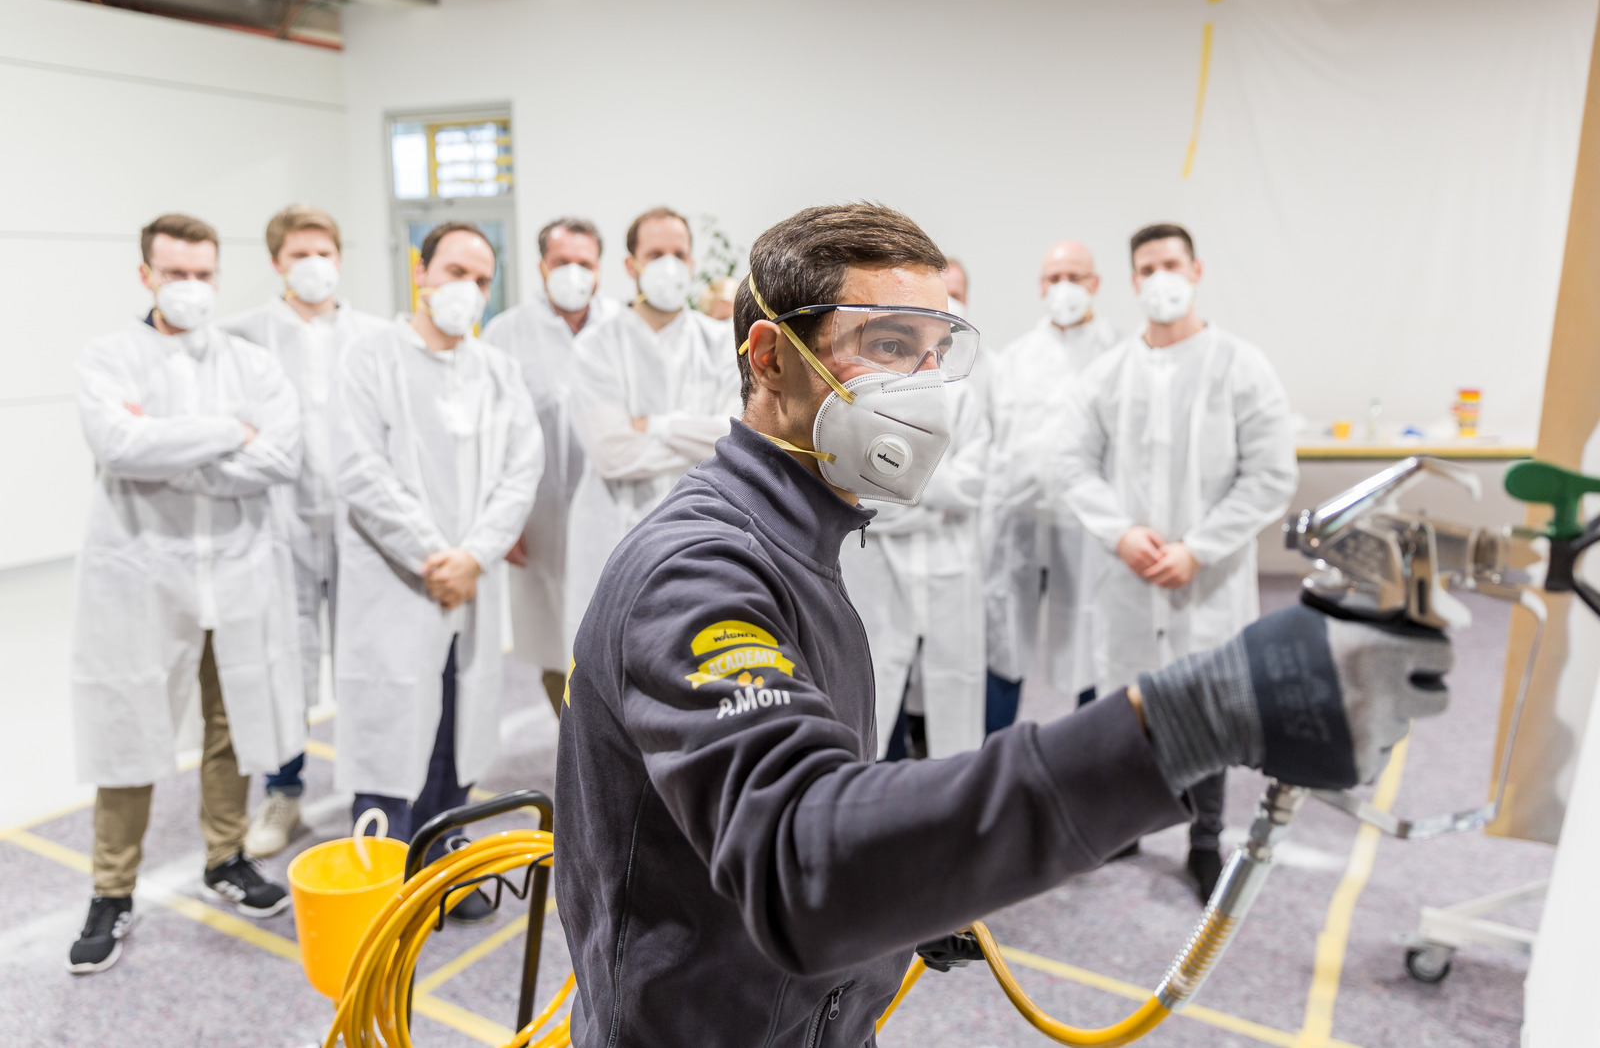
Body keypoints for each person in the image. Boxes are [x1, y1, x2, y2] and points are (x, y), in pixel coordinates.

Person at [554, 203, 1451, 1047]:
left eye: (935, 353)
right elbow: (801, 860)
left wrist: (909, 888)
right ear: (770, 357)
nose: (924, 389)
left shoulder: (807, 540)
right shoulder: (696, 573)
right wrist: (1196, 717)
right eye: (888, 346)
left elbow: (813, 807)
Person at [68, 214, 305, 974]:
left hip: (235, 570)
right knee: (131, 725)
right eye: (176, 273)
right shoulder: (108, 359)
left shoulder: (251, 363)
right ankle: (112, 889)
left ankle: (225, 855)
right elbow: (120, 446)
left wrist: (170, 440)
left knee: (230, 720)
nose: (191, 287)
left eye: (203, 274)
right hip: (142, 572)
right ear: (146, 275)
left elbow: (281, 457)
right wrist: (232, 430)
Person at [1057, 223, 1299, 902]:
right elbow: (1072, 464)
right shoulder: (1108, 374)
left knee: (1207, 708)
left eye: (1171, 264)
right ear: (1133, 281)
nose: (1160, 278)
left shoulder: (1241, 366)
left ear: (1195, 270)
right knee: (1129, 706)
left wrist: (1200, 547)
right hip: (1129, 576)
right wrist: (1121, 532)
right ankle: (1126, 828)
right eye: (1147, 268)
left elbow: (1270, 474)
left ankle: (1204, 841)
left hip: (1207, 579)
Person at [332, 221, 542, 921]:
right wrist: (435, 556)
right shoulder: (370, 359)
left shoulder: (497, 372)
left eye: (481, 280)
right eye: (455, 272)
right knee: (394, 728)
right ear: (420, 272)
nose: (468, 290)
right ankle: (383, 877)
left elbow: (522, 469)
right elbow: (360, 471)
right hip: (398, 584)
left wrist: (475, 555)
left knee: (459, 723)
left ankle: (444, 855)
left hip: (469, 583)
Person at [218, 204, 388, 857]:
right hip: (275, 524)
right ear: (276, 262)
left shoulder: (376, 335)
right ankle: (283, 790)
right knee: (281, 662)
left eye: (324, 253)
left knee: (369, 659)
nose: (314, 265)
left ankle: (372, 792)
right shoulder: (241, 338)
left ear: (340, 258)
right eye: (299, 255)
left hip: (361, 525)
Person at [839, 256, 991, 760]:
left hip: (952, 568)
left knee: (954, 700)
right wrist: (932, 495)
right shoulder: (871, 390)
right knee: (870, 700)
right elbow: (866, 494)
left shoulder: (967, 396)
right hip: (879, 571)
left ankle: (956, 803)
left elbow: (971, 487)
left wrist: (906, 481)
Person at [482, 217, 620, 720]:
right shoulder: (505, 333)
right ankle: (573, 742)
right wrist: (504, 521)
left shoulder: (621, 328)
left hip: (613, 509)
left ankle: (618, 745)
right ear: (541, 266)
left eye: (584, 262)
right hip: (536, 514)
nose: (573, 273)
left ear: (600, 269)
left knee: (617, 630)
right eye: (561, 262)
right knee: (551, 641)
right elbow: (490, 433)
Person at [983, 240, 1121, 734]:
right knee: (1004, 639)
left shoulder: (1117, 357)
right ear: (1041, 286)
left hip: (1088, 529)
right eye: (1055, 278)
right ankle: (994, 754)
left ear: (1095, 283)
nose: (1065, 288)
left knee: (1092, 638)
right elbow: (995, 442)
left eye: (1075, 276)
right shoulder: (1015, 358)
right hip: (1018, 525)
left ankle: (1090, 757)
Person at [568, 206, 741, 534]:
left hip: (704, 527)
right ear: (630, 265)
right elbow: (612, 455)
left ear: (691, 264)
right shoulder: (594, 346)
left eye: (679, 255)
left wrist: (653, 425)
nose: (669, 267)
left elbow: (734, 438)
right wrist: (700, 441)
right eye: (655, 254)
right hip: (613, 531)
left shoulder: (722, 342)